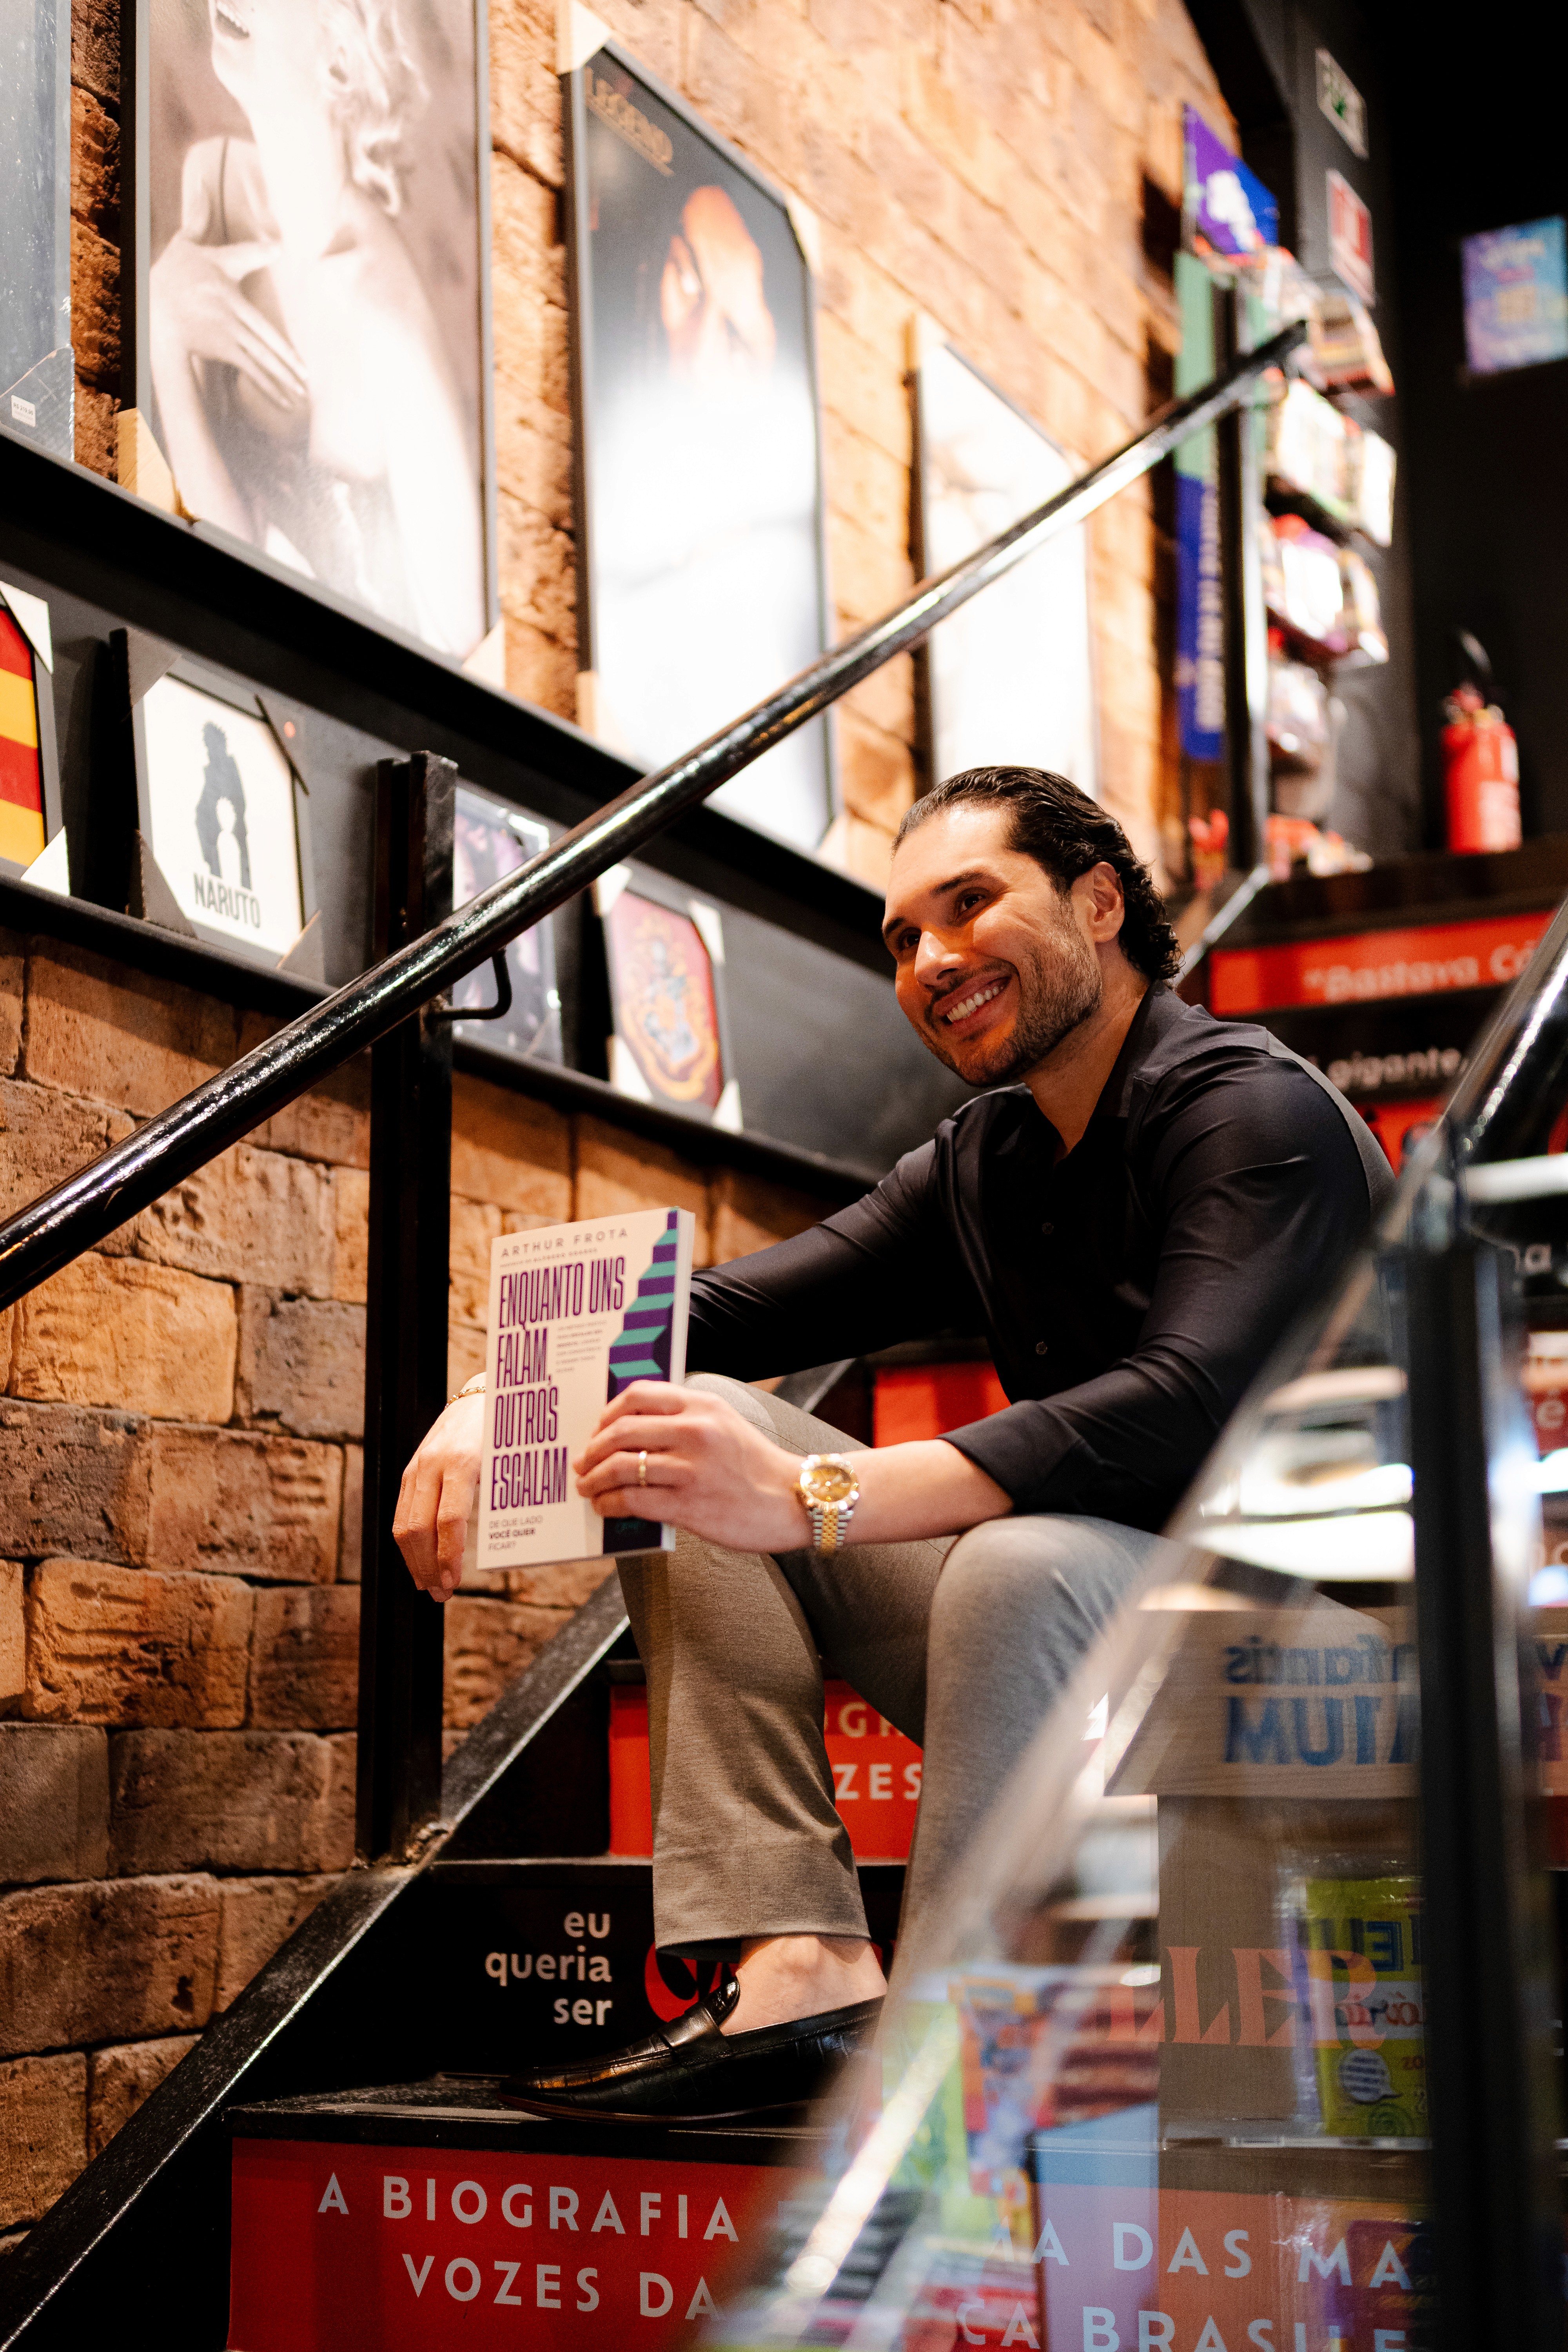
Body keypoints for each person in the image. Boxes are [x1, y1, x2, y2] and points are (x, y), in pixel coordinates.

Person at [394, 766, 1392, 2119]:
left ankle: (940, 2063)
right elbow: (718, 1313)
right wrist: (490, 1396)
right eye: (904, 937)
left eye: (970, 905)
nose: (932, 960)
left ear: (1100, 902)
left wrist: (819, 1491)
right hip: (1087, 1677)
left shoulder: (1249, 1114)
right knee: (688, 1431)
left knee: (1014, 1561)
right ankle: (797, 1957)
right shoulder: (991, 1159)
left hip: (1336, 1694)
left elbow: (1185, 1397)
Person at [149, 0, 485, 657]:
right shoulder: (214, 181)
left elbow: (464, 643)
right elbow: (223, 543)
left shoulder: (383, 318)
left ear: (339, 56)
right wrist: (163, 324)